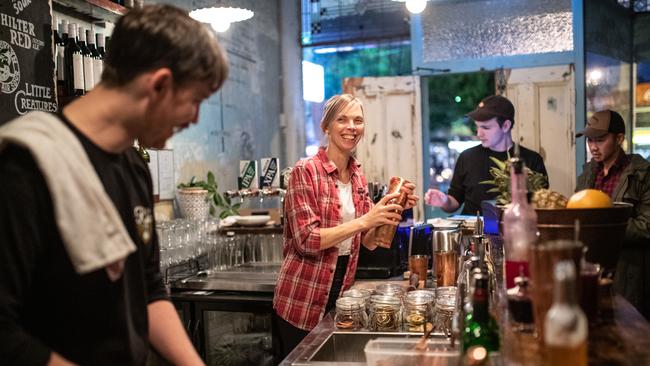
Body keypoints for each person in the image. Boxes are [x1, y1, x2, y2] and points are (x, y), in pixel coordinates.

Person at [0, 5, 228, 365]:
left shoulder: (133, 166)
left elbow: (149, 289)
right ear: (160, 84)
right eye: (195, 100)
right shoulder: (26, 167)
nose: (194, 118)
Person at [272, 94, 419, 363]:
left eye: (358, 120)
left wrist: (392, 211)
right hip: (301, 299)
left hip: (340, 296)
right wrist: (366, 219)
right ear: (326, 126)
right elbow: (307, 240)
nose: (351, 127)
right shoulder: (305, 171)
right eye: (342, 119)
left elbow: (367, 242)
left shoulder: (356, 174)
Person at [575, 109, 650, 319]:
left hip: (627, 272)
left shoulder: (642, 175)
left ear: (619, 139)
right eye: (590, 141)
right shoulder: (588, 173)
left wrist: (603, 226)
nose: (593, 147)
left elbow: (646, 227)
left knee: (628, 333)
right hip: (590, 269)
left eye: (600, 140)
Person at [424, 95, 548, 215]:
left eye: (486, 128)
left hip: (513, 228)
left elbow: (541, 205)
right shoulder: (466, 157)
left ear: (505, 126)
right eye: (477, 127)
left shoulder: (532, 160)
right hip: (471, 230)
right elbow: (454, 202)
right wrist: (444, 201)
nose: (479, 134)